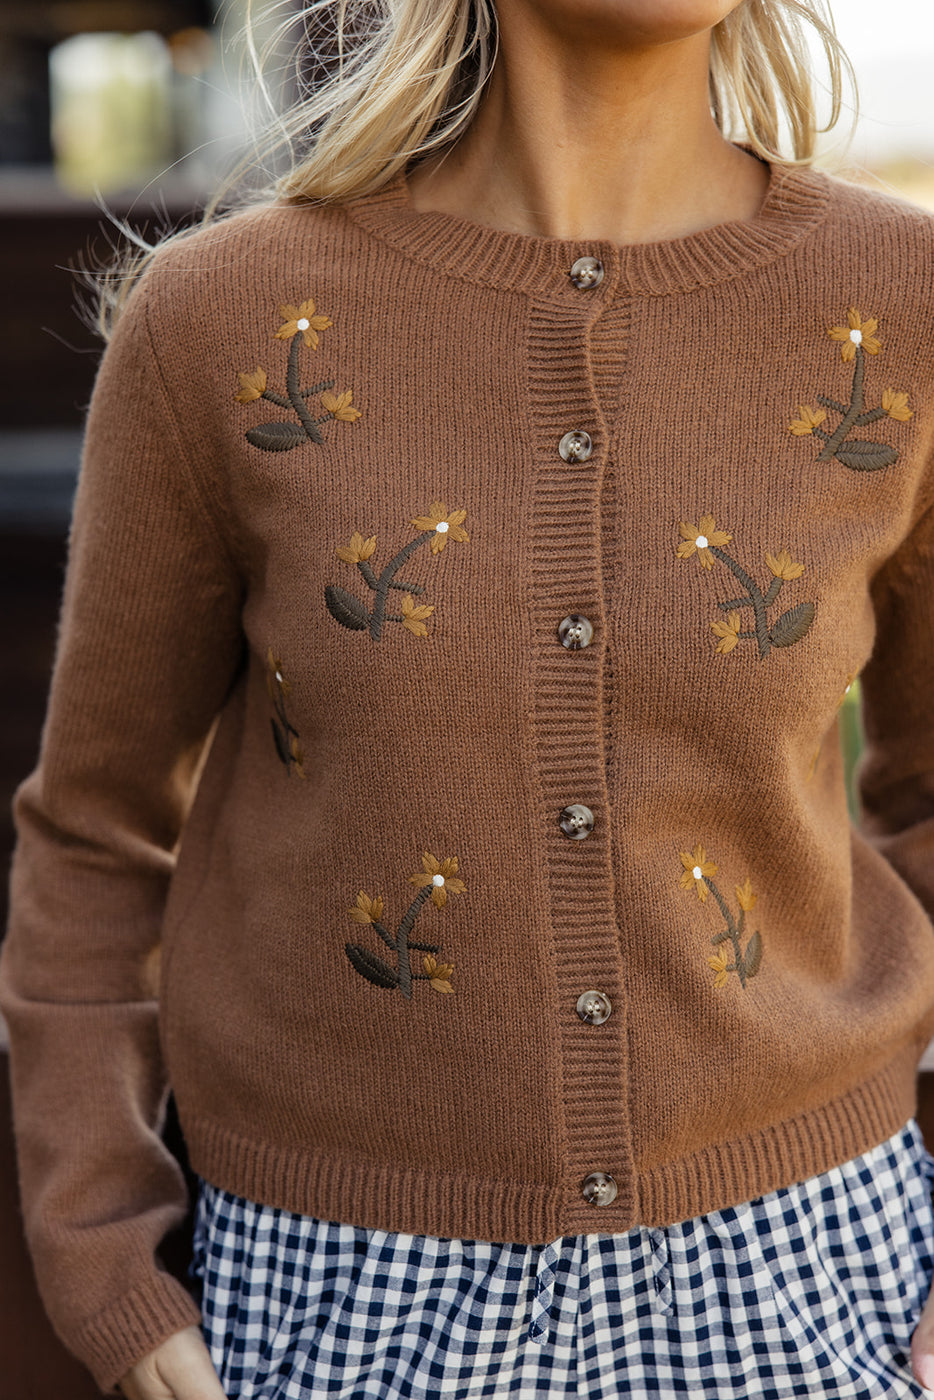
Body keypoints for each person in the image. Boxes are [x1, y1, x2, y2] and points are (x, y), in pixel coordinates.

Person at [4, 0, 934, 1395]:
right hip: (342, 1295)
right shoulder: (221, 326)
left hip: (817, 1271)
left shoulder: (898, 307)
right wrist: (107, 1272)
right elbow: (94, 836)